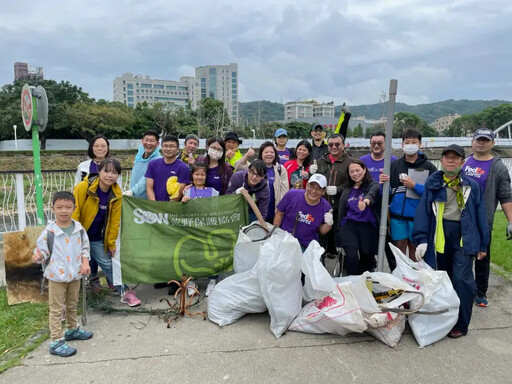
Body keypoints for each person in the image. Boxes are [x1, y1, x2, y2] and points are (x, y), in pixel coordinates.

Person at [413, 144, 489, 339]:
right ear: (442, 161)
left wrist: (482, 245)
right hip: (440, 235)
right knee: (440, 279)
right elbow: (424, 212)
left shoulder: (471, 186)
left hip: (464, 236)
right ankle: (442, 319)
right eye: (447, 158)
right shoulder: (434, 182)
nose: (451, 161)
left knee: (462, 280)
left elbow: (481, 216)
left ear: (462, 162)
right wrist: (422, 239)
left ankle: (461, 324)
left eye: (455, 158)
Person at [73, 159, 141, 307]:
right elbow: (74, 213)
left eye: (114, 172)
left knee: (109, 265)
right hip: (78, 236)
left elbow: (114, 221)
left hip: (97, 237)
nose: (110, 175)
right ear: (99, 171)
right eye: (106, 171)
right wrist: (75, 238)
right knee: (73, 267)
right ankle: (69, 301)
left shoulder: (116, 193)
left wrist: (110, 243)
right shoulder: (83, 187)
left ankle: (125, 292)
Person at [32, 191, 93, 357]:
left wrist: (85, 262)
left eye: (67, 207)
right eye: (59, 207)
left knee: (73, 304)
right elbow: (41, 252)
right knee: (57, 310)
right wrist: (38, 256)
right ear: (53, 208)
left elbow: (85, 248)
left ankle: (72, 329)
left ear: (74, 207)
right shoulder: (49, 232)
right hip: (56, 278)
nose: (63, 211)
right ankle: (56, 341)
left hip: (75, 275)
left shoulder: (79, 229)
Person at [462, 128, 512, 307]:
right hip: (460, 219)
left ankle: (480, 292)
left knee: (482, 258)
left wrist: (510, 221)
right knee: (461, 256)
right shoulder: (464, 162)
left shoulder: (497, 167)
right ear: (472, 142)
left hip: (483, 221)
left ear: (492, 143)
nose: (481, 143)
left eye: (485, 140)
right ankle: (461, 288)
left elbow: (506, 195)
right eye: (478, 139)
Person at [379, 128, 437, 259]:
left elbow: (433, 193)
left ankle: (413, 277)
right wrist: (382, 183)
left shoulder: (429, 167)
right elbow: (385, 194)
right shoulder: (393, 165)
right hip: (396, 216)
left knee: (414, 248)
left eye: (414, 142)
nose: (410, 145)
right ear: (402, 145)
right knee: (399, 245)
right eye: (407, 142)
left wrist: (415, 186)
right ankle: (400, 275)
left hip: (418, 217)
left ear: (420, 145)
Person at [74, 134, 120, 290]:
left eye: (103, 146)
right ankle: (91, 280)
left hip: (103, 213)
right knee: (87, 250)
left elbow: (115, 191)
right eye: (96, 146)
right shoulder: (84, 167)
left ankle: (111, 278)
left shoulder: (113, 166)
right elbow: (76, 195)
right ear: (91, 148)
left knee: (104, 250)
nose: (100, 148)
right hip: (87, 212)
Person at [360, 131, 398, 270]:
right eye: (373, 143)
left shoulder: (393, 160)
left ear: (386, 144)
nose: (376, 146)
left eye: (380, 143)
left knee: (389, 240)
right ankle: (369, 269)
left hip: (387, 205)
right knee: (369, 238)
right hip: (368, 204)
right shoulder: (363, 160)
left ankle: (396, 270)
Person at [181, 163, 220, 296]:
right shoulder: (187, 191)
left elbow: (218, 209)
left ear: (206, 176)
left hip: (208, 230)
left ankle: (212, 281)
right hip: (191, 231)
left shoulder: (213, 192)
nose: (199, 177)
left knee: (211, 255)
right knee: (192, 256)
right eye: (197, 174)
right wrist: (183, 200)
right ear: (192, 176)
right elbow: (181, 210)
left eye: (202, 174)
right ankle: (192, 282)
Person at [336, 160, 381, 275]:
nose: (355, 174)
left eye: (357, 170)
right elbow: (341, 213)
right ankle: (352, 281)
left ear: (364, 170)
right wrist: (338, 236)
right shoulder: (347, 191)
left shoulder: (372, 185)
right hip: (349, 225)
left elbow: (372, 193)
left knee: (366, 261)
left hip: (367, 226)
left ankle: (363, 284)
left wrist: (365, 203)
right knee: (351, 257)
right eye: (352, 172)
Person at [311, 133, 352, 256]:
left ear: (343, 146)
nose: (334, 147)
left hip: (341, 208)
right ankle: (319, 264)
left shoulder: (350, 162)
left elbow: (355, 183)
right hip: (322, 206)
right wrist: (309, 173)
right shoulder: (321, 160)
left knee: (340, 240)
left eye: (337, 144)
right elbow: (314, 183)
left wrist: (338, 189)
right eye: (331, 145)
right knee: (320, 239)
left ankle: (342, 267)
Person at [273, 174, 333, 252]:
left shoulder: (326, 207)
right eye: (312, 187)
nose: (314, 191)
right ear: (307, 186)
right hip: (286, 239)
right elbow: (279, 213)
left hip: (307, 245)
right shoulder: (292, 194)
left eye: (318, 189)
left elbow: (322, 231)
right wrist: (275, 233)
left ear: (323, 191)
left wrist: (329, 224)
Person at [145, 136, 190, 202]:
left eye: (172, 146)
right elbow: (149, 188)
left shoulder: (183, 167)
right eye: (165, 146)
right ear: (161, 147)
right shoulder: (153, 164)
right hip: (154, 206)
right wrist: (154, 205)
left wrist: (166, 208)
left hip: (172, 207)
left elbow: (179, 193)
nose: (168, 149)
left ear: (178, 149)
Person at [124, 130, 161, 199]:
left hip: (148, 199)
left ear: (157, 144)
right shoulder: (139, 156)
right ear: (142, 141)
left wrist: (133, 191)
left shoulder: (158, 160)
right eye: (146, 140)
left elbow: (145, 180)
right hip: (134, 196)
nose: (148, 143)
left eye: (152, 141)